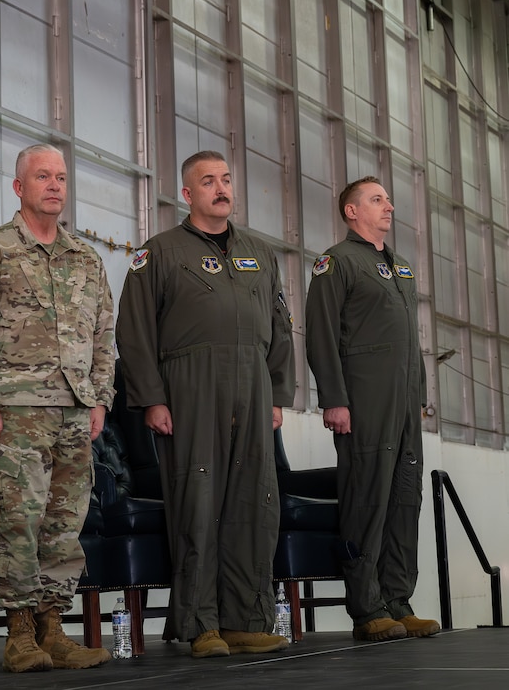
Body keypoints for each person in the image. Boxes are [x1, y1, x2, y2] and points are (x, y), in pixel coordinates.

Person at [115, 150, 295, 658]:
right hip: (189, 384)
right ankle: (201, 623)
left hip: (253, 385)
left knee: (255, 501)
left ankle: (246, 618)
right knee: (198, 500)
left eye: (226, 179)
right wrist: (151, 398)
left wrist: (279, 393)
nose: (221, 188)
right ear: (187, 193)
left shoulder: (260, 252)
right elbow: (134, 331)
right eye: (208, 181)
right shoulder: (161, 252)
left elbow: (280, 326)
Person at [0, 143, 115, 673]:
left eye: (61, 177)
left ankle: (53, 627)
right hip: (15, 409)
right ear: (19, 187)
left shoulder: (86, 258)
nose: (55, 185)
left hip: (74, 410)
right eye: (42, 176)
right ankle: (19, 631)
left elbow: (104, 335)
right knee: (21, 517)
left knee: (65, 522)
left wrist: (100, 400)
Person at [305, 176, 440, 642]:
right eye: (377, 200)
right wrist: (334, 399)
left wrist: (418, 393)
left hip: (403, 403)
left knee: (405, 498)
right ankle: (368, 608)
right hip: (364, 400)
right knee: (368, 497)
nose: (389, 206)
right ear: (351, 211)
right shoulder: (336, 262)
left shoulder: (400, 267)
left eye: (388, 200)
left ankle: (398, 600)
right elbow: (320, 336)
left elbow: (411, 340)